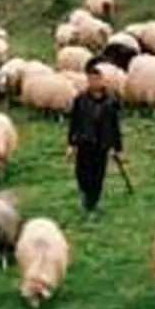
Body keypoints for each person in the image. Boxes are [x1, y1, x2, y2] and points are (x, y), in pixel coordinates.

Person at [66, 59, 126, 217]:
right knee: (82, 174)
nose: (94, 82)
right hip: (84, 142)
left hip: (101, 144)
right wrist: (71, 144)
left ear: (102, 80)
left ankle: (92, 203)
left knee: (97, 175)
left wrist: (118, 149)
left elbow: (115, 127)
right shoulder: (80, 100)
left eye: (97, 79)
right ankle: (86, 196)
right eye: (91, 79)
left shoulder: (110, 102)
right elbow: (74, 122)